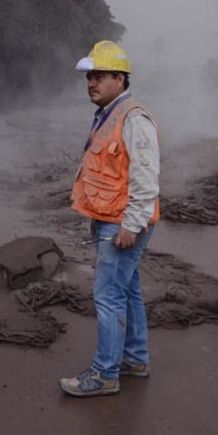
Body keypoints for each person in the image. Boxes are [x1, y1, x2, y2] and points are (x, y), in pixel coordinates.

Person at [59, 40, 161, 397]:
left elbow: (146, 179)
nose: (91, 83)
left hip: (122, 224)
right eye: (89, 76)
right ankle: (134, 359)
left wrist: (131, 226)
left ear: (121, 78)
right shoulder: (108, 114)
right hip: (112, 219)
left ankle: (104, 374)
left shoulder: (134, 119)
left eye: (99, 76)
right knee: (128, 290)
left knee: (107, 295)